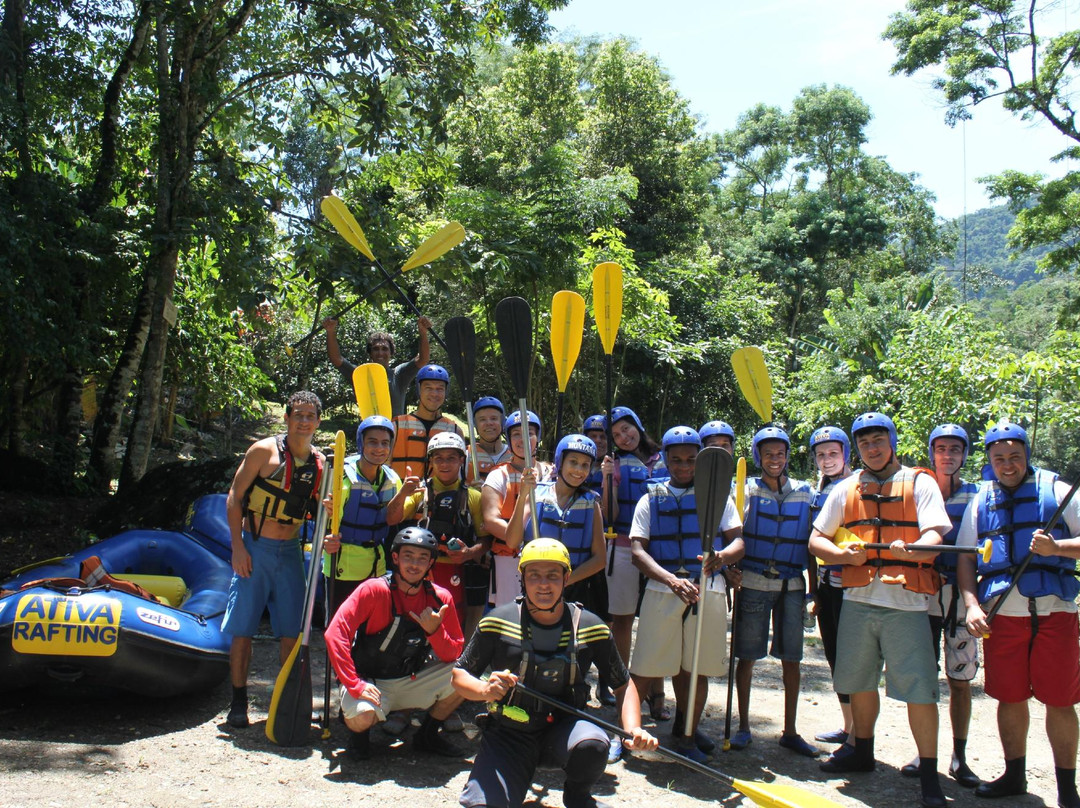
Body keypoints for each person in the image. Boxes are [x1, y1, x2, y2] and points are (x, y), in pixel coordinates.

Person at [809, 412, 949, 808]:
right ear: (858, 448)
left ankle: (928, 773)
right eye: (865, 442)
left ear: (892, 441)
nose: (872, 448)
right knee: (859, 681)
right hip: (858, 600)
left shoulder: (920, 482)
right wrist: (840, 555)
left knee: (920, 690)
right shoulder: (846, 488)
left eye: (878, 440)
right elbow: (817, 539)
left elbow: (937, 533)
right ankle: (862, 752)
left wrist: (920, 547)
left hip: (906, 603)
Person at [453, 538, 658, 808]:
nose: (543, 584)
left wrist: (633, 729)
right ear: (522, 578)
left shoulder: (590, 626)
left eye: (552, 575)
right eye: (534, 575)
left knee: (594, 743)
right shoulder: (497, 622)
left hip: (565, 731)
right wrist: (484, 690)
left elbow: (623, 684)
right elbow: (459, 675)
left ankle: (577, 797)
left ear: (566, 578)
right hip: (509, 733)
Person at [959, 422, 1080, 808]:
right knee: (1009, 697)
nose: (1007, 465)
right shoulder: (981, 501)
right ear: (989, 461)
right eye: (999, 459)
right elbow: (965, 558)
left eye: (1014, 457)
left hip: (1055, 612)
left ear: (1027, 454)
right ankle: (1014, 775)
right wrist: (972, 605)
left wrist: (1056, 547)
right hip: (1002, 614)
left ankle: (1067, 787)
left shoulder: (1058, 491)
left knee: (1060, 700)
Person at [629, 426, 745, 764]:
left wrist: (722, 557)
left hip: (707, 589)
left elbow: (738, 541)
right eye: (676, 460)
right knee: (645, 668)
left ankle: (687, 734)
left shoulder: (718, 496)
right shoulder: (650, 498)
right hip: (662, 590)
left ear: (701, 461)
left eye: (691, 460)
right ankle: (629, 734)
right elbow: (638, 551)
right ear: (664, 458)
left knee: (694, 669)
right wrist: (670, 580)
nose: (683, 466)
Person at [221, 391, 326, 729]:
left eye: (310, 415)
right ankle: (238, 702)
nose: (304, 421)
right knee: (243, 629)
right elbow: (235, 497)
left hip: (291, 551)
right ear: (287, 418)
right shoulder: (263, 452)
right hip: (256, 547)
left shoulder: (319, 463)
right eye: (298, 414)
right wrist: (237, 547)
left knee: (291, 632)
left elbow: (324, 511)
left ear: (318, 421)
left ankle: (285, 700)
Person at [324, 526, 466, 759]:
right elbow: (335, 634)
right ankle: (359, 738)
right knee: (361, 718)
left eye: (422, 558)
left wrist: (434, 632)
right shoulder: (373, 590)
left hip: (410, 679)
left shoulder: (441, 598)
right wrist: (354, 684)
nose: (414, 564)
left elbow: (453, 654)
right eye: (408, 556)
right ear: (396, 558)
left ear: (431, 563)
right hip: (370, 681)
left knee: (465, 675)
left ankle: (427, 735)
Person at [899, 424, 981, 787]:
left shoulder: (978, 497)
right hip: (922, 594)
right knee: (922, 678)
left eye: (955, 449)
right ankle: (924, 751)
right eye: (941, 449)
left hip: (961, 599)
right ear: (932, 452)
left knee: (959, 680)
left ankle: (959, 757)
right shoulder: (917, 491)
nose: (948, 455)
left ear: (964, 455)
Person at [730, 426, 818, 757]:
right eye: (768, 454)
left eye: (780, 454)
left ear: (787, 456)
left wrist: (816, 591)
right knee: (747, 656)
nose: (775, 460)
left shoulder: (804, 493)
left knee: (792, 659)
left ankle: (791, 731)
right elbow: (731, 533)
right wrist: (729, 569)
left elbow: (812, 542)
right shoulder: (745, 491)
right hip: (753, 582)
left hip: (792, 584)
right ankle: (742, 727)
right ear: (759, 457)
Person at [393, 431, 491, 640]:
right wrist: (403, 493)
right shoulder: (419, 493)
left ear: (461, 460)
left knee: (450, 619)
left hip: (454, 570)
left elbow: (486, 540)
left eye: (451, 458)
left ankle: (449, 662)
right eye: (438, 458)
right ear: (431, 461)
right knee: (415, 617)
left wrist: (468, 553)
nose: (444, 464)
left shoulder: (473, 497)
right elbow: (391, 519)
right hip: (419, 569)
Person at [606, 406, 668, 723]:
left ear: (639, 426)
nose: (624, 437)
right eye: (616, 434)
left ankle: (657, 694)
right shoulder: (613, 465)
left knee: (655, 624)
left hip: (660, 552)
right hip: (622, 548)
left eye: (627, 428)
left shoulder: (666, 460)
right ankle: (622, 690)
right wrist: (609, 480)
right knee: (623, 623)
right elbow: (610, 512)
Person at [322, 415, 403, 620]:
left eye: (385, 443)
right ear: (361, 444)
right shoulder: (345, 478)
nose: (379, 448)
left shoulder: (392, 479)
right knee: (340, 626)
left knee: (369, 627)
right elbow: (328, 518)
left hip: (376, 565)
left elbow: (396, 518)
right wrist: (326, 540)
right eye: (372, 442)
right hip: (343, 564)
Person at [806, 425, 855, 747]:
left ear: (845, 455)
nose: (827, 460)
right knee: (837, 656)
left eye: (833, 454)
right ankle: (849, 726)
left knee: (855, 659)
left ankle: (859, 733)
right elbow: (809, 547)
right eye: (821, 455)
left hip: (854, 586)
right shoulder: (816, 492)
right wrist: (813, 590)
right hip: (828, 585)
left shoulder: (856, 487)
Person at [481, 410, 549, 609]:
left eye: (529, 433)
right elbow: (491, 520)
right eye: (516, 434)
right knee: (511, 616)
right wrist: (519, 536)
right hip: (508, 558)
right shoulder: (498, 475)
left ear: (538, 437)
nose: (523, 439)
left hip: (545, 557)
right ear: (509, 440)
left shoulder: (550, 472)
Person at [322, 316, 431, 417]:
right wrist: (330, 332)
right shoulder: (361, 374)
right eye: (375, 349)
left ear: (391, 352)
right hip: (370, 434)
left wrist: (423, 332)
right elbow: (337, 359)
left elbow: (422, 359)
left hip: (395, 433)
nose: (380, 353)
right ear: (370, 353)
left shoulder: (399, 374)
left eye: (384, 349)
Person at [389, 363, 463, 480]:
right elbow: (383, 468)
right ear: (419, 390)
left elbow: (459, 475)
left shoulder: (455, 431)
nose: (434, 394)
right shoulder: (396, 426)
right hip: (402, 494)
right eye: (428, 388)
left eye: (440, 389)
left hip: (439, 496)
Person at [465, 396, 512, 486]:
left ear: (502, 422)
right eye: (482, 419)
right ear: (475, 425)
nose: (489, 423)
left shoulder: (514, 455)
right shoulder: (467, 456)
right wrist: (470, 490)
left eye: (494, 418)